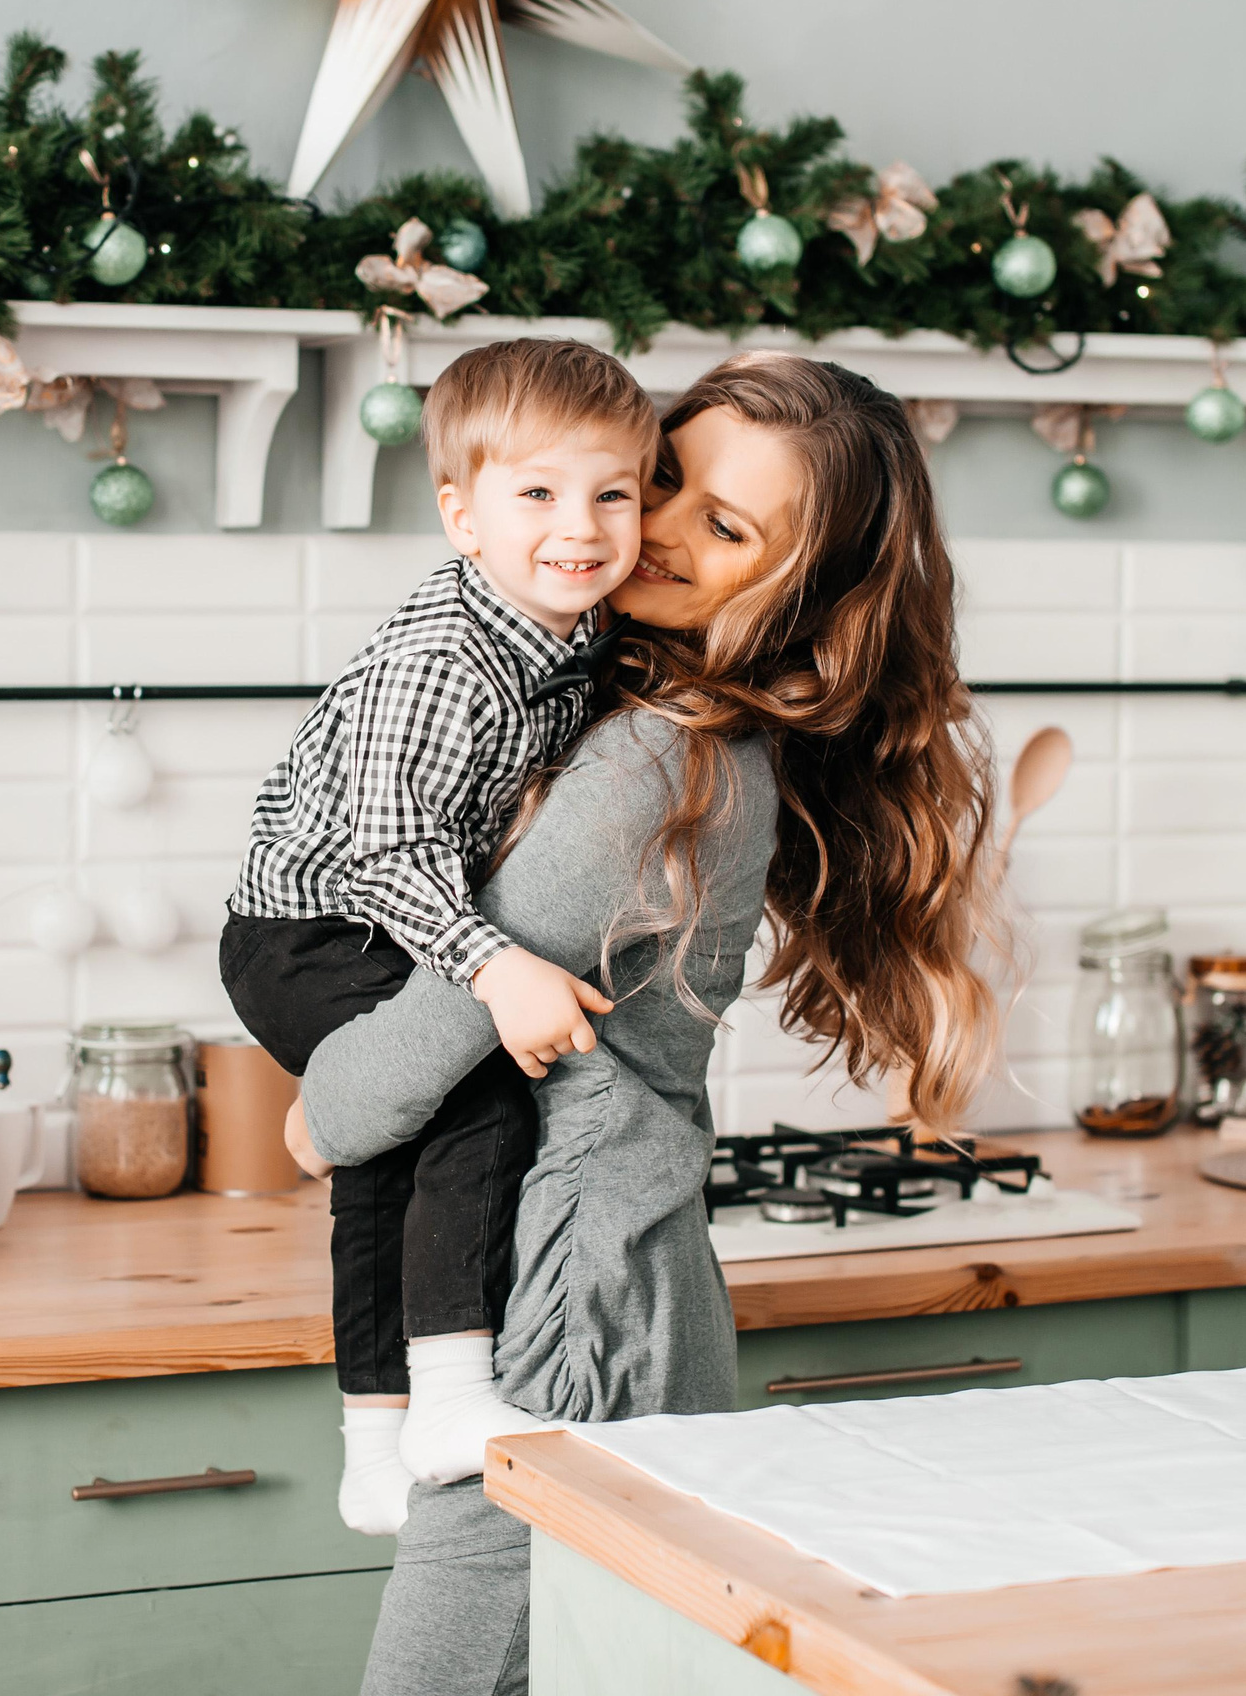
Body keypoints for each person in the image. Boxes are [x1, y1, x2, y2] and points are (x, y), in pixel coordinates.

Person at [296, 351, 1001, 1695]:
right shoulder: (635, 717)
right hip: (613, 1274)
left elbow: (371, 1093)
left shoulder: (651, 763)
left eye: (726, 527)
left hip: (571, 1311)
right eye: (666, 478)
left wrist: (308, 1106)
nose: (652, 528)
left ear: (802, 597)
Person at [220, 338, 660, 1536]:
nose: (581, 526)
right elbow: (389, 852)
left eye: (612, 493)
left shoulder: (569, 624)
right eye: (538, 494)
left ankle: (376, 1441)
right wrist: (498, 965)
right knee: (469, 1101)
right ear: (461, 515)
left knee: (389, 1151)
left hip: (394, 925)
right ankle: (455, 1397)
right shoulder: (443, 662)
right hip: (314, 929)